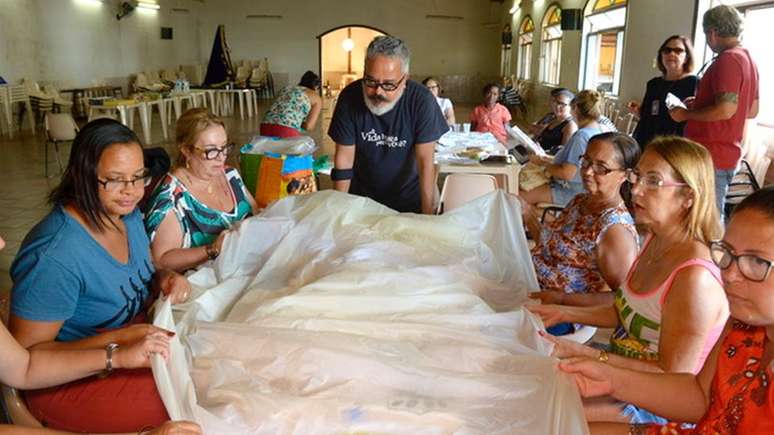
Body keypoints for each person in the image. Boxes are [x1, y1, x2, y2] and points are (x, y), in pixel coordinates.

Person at [9, 119, 196, 433]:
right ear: (81, 177)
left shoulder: (126, 213)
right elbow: (27, 359)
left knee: (213, 371)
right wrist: (116, 351)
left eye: (139, 178)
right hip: (67, 379)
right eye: (114, 180)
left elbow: (137, 272)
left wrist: (163, 277)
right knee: (187, 407)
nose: (132, 191)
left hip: (130, 346)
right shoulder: (56, 256)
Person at [528, 137, 729, 424]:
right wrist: (561, 310)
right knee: (527, 392)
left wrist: (581, 352)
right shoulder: (653, 240)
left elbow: (670, 377)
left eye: (654, 181)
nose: (635, 188)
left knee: (540, 415)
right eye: (637, 177)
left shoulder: (694, 278)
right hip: (624, 377)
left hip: (658, 410)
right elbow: (626, 310)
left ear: (689, 197)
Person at [559, 186, 774, 434]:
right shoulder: (743, 323)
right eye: (727, 253)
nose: (730, 274)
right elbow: (701, 397)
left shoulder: (697, 278)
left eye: (757, 261)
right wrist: (611, 379)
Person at [0, 235, 200, 435]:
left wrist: (117, 353)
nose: (2, 242)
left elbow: (24, 368)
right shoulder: (54, 253)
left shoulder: (128, 226)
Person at [524, 133, 640, 322]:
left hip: (559, 313)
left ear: (625, 175)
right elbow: (550, 247)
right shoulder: (581, 201)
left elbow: (623, 300)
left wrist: (562, 300)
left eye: (601, 168)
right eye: (585, 161)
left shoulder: (614, 230)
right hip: (533, 289)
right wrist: (528, 214)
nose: (587, 172)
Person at [329, 35, 448, 214]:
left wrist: (427, 215)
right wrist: (340, 210)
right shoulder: (349, 98)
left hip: (409, 200)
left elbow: (425, 162)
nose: (378, 91)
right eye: (370, 81)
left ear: (405, 79)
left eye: (389, 85)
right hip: (361, 200)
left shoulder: (421, 101)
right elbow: (344, 160)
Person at [670, 5, 759, 215]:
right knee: (707, 213)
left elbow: (727, 109)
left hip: (712, 154)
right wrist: (701, 103)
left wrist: (686, 114)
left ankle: (710, 249)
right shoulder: (748, 59)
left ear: (712, 33)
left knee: (708, 216)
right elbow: (751, 109)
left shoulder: (728, 59)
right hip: (725, 152)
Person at [144, 108, 258, 272]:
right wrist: (212, 249)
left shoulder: (230, 176)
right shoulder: (171, 196)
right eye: (211, 150)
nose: (221, 156)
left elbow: (256, 214)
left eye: (224, 147)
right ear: (186, 151)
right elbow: (161, 260)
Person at [520, 90, 603, 207]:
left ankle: (549, 220)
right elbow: (572, 161)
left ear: (575, 109)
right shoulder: (596, 129)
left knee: (515, 197)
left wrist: (542, 163)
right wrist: (547, 158)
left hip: (571, 191)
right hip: (582, 187)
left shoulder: (581, 136)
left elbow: (567, 173)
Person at [629, 35, 697, 148]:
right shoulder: (653, 84)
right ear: (661, 55)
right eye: (667, 50)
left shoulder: (694, 84)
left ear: (686, 57)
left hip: (673, 147)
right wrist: (638, 111)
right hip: (645, 143)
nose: (671, 54)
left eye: (678, 51)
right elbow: (648, 116)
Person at [260, 70, 323, 137]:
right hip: (286, 129)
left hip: (265, 126)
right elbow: (309, 126)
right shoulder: (316, 97)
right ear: (316, 87)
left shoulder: (286, 88)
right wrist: (296, 121)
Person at [531, 88, 578, 154]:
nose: (557, 106)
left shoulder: (570, 125)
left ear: (571, 106)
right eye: (556, 102)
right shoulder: (552, 118)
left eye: (562, 104)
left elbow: (563, 153)